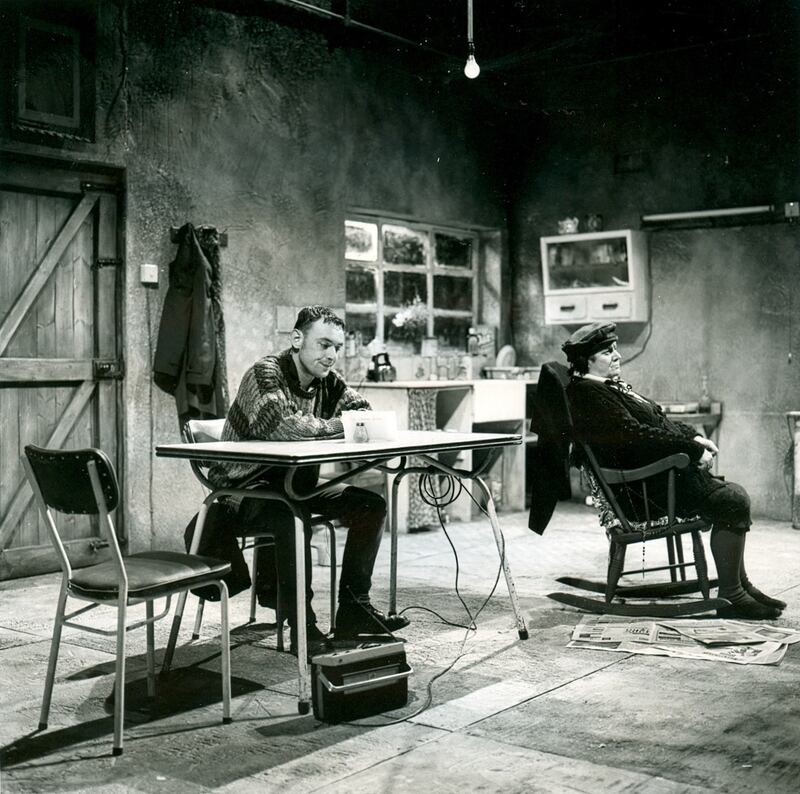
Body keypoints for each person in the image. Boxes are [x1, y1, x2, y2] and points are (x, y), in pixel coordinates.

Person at [208, 305, 409, 653]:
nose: (331, 356)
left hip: (292, 488)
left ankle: (354, 611)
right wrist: (342, 426)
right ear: (298, 339)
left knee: (369, 505)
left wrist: (343, 423)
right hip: (241, 492)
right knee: (291, 517)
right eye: (323, 344)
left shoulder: (326, 382)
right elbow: (288, 427)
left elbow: (363, 413)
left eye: (336, 347)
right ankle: (302, 623)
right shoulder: (266, 374)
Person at [562, 321, 786, 620]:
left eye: (615, 348)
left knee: (733, 496)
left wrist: (694, 438)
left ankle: (739, 586)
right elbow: (636, 437)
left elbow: (658, 421)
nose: (616, 355)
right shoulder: (590, 395)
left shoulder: (609, 387)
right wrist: (692, 452)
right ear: (585, 361)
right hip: (641, 493)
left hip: (654, 481)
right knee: (731, 500)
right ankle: (732, 596)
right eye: (606, 352)